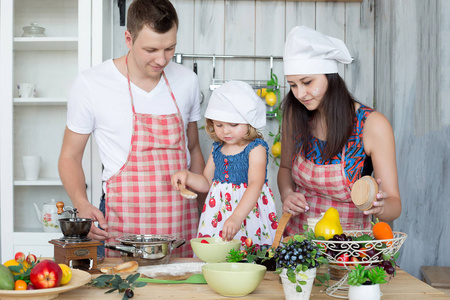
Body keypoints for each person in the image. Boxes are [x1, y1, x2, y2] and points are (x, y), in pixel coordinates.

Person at [58, 0, 205, 257]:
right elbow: (69, 155)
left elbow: (193, 148)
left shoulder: (187, 81)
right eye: (151, 49)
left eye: (170, 48)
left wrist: (207, 213)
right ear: (128, 38)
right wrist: (81, 204)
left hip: (180, 224)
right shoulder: (92, 84)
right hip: (121, 224)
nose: (162, 60)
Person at [278, 26, 401, 235]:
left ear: (331, 76)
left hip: (348, 252)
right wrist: (287, 193)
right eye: (293, 85)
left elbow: (395, 205)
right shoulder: (294, 115)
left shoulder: (372, 125)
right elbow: (285, 169)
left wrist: (381, 207)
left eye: (307, 82)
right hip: (298, 244)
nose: (300, 93)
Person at [171, 81, 279, 247]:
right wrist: (187, 176)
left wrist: (237, 217)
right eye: (219, 125)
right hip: (219, 218)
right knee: (218, 257)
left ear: (249, 121)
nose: (225, 131)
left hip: (248, 216)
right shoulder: (218, 149)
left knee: (248, 256)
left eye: (233, 124)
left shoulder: (256, 148)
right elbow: (206, 183)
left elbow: (255, 185)